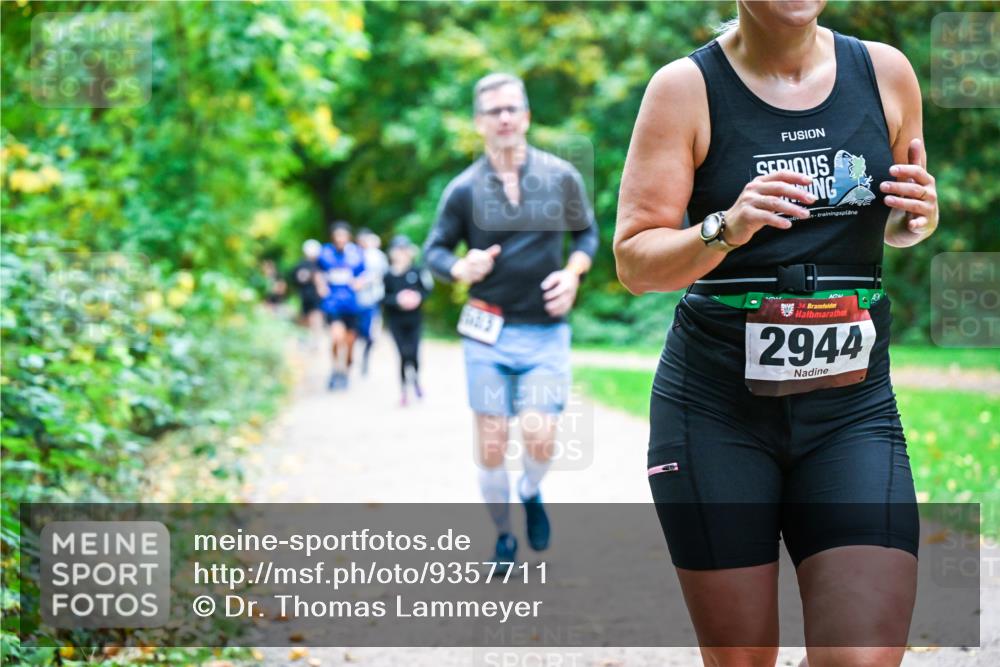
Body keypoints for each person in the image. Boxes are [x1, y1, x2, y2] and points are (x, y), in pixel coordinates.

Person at [614, 1, 938, 665]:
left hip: (851, 413)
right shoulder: (685, 88)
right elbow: (633, 261)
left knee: (863, 655)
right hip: (714, 411)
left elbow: (897, 221)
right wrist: (725, 226)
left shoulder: (886, 73)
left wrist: (914, 221)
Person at [424, 73, 599, 571]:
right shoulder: (462, 190)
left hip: (544, 331)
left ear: (525, 116)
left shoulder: (561, 176)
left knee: (541, 434)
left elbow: (586, 236)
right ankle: (503, 537)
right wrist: (459, 267)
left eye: (511, 109)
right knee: (493, 440)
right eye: (492, 111)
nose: (503, 118)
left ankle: (530, 492)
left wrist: (573, 273)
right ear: (479, 123)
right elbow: (433, 250)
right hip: (487, 332)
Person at [382, 234, 433, 406]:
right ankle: (404, 390)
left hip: (415, 319)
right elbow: (382, 298)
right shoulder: (387, 275)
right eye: (398, 250)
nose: (402, 254)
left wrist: (417, 297)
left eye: (404, 250)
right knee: (403, 354)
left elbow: (427, 290)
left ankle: (416, 381)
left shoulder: (417, 271)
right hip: (396, 321)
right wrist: (398, 300)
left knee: (414, 354)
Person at [318, 221, 366, 391]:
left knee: (350, 342)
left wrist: (359, 283)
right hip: (332, 304)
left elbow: (364, 274)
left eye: (343, 235)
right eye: (337, 236)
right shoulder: (325, 253)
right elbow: (318, 273)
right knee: (336, 337)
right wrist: (321, 286)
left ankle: (346, 370)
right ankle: (335, 370)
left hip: (351, 305)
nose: (340, 239)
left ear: (348, 237)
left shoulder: (357, 254)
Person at [355, 229, 390, 376]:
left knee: (371, 332)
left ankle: (365, 359)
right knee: (360, 331)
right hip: (357, 300)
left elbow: (383, 275)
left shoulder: (377, 256)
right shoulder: (355, 255)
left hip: (373, 299)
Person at [289, 239, 325, 349]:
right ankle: (310, 341)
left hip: (307, 296)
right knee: (312, 319)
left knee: (312, 318)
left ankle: (309, 341)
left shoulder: (301, 264)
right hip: (310, 296)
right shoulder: (314, 265)